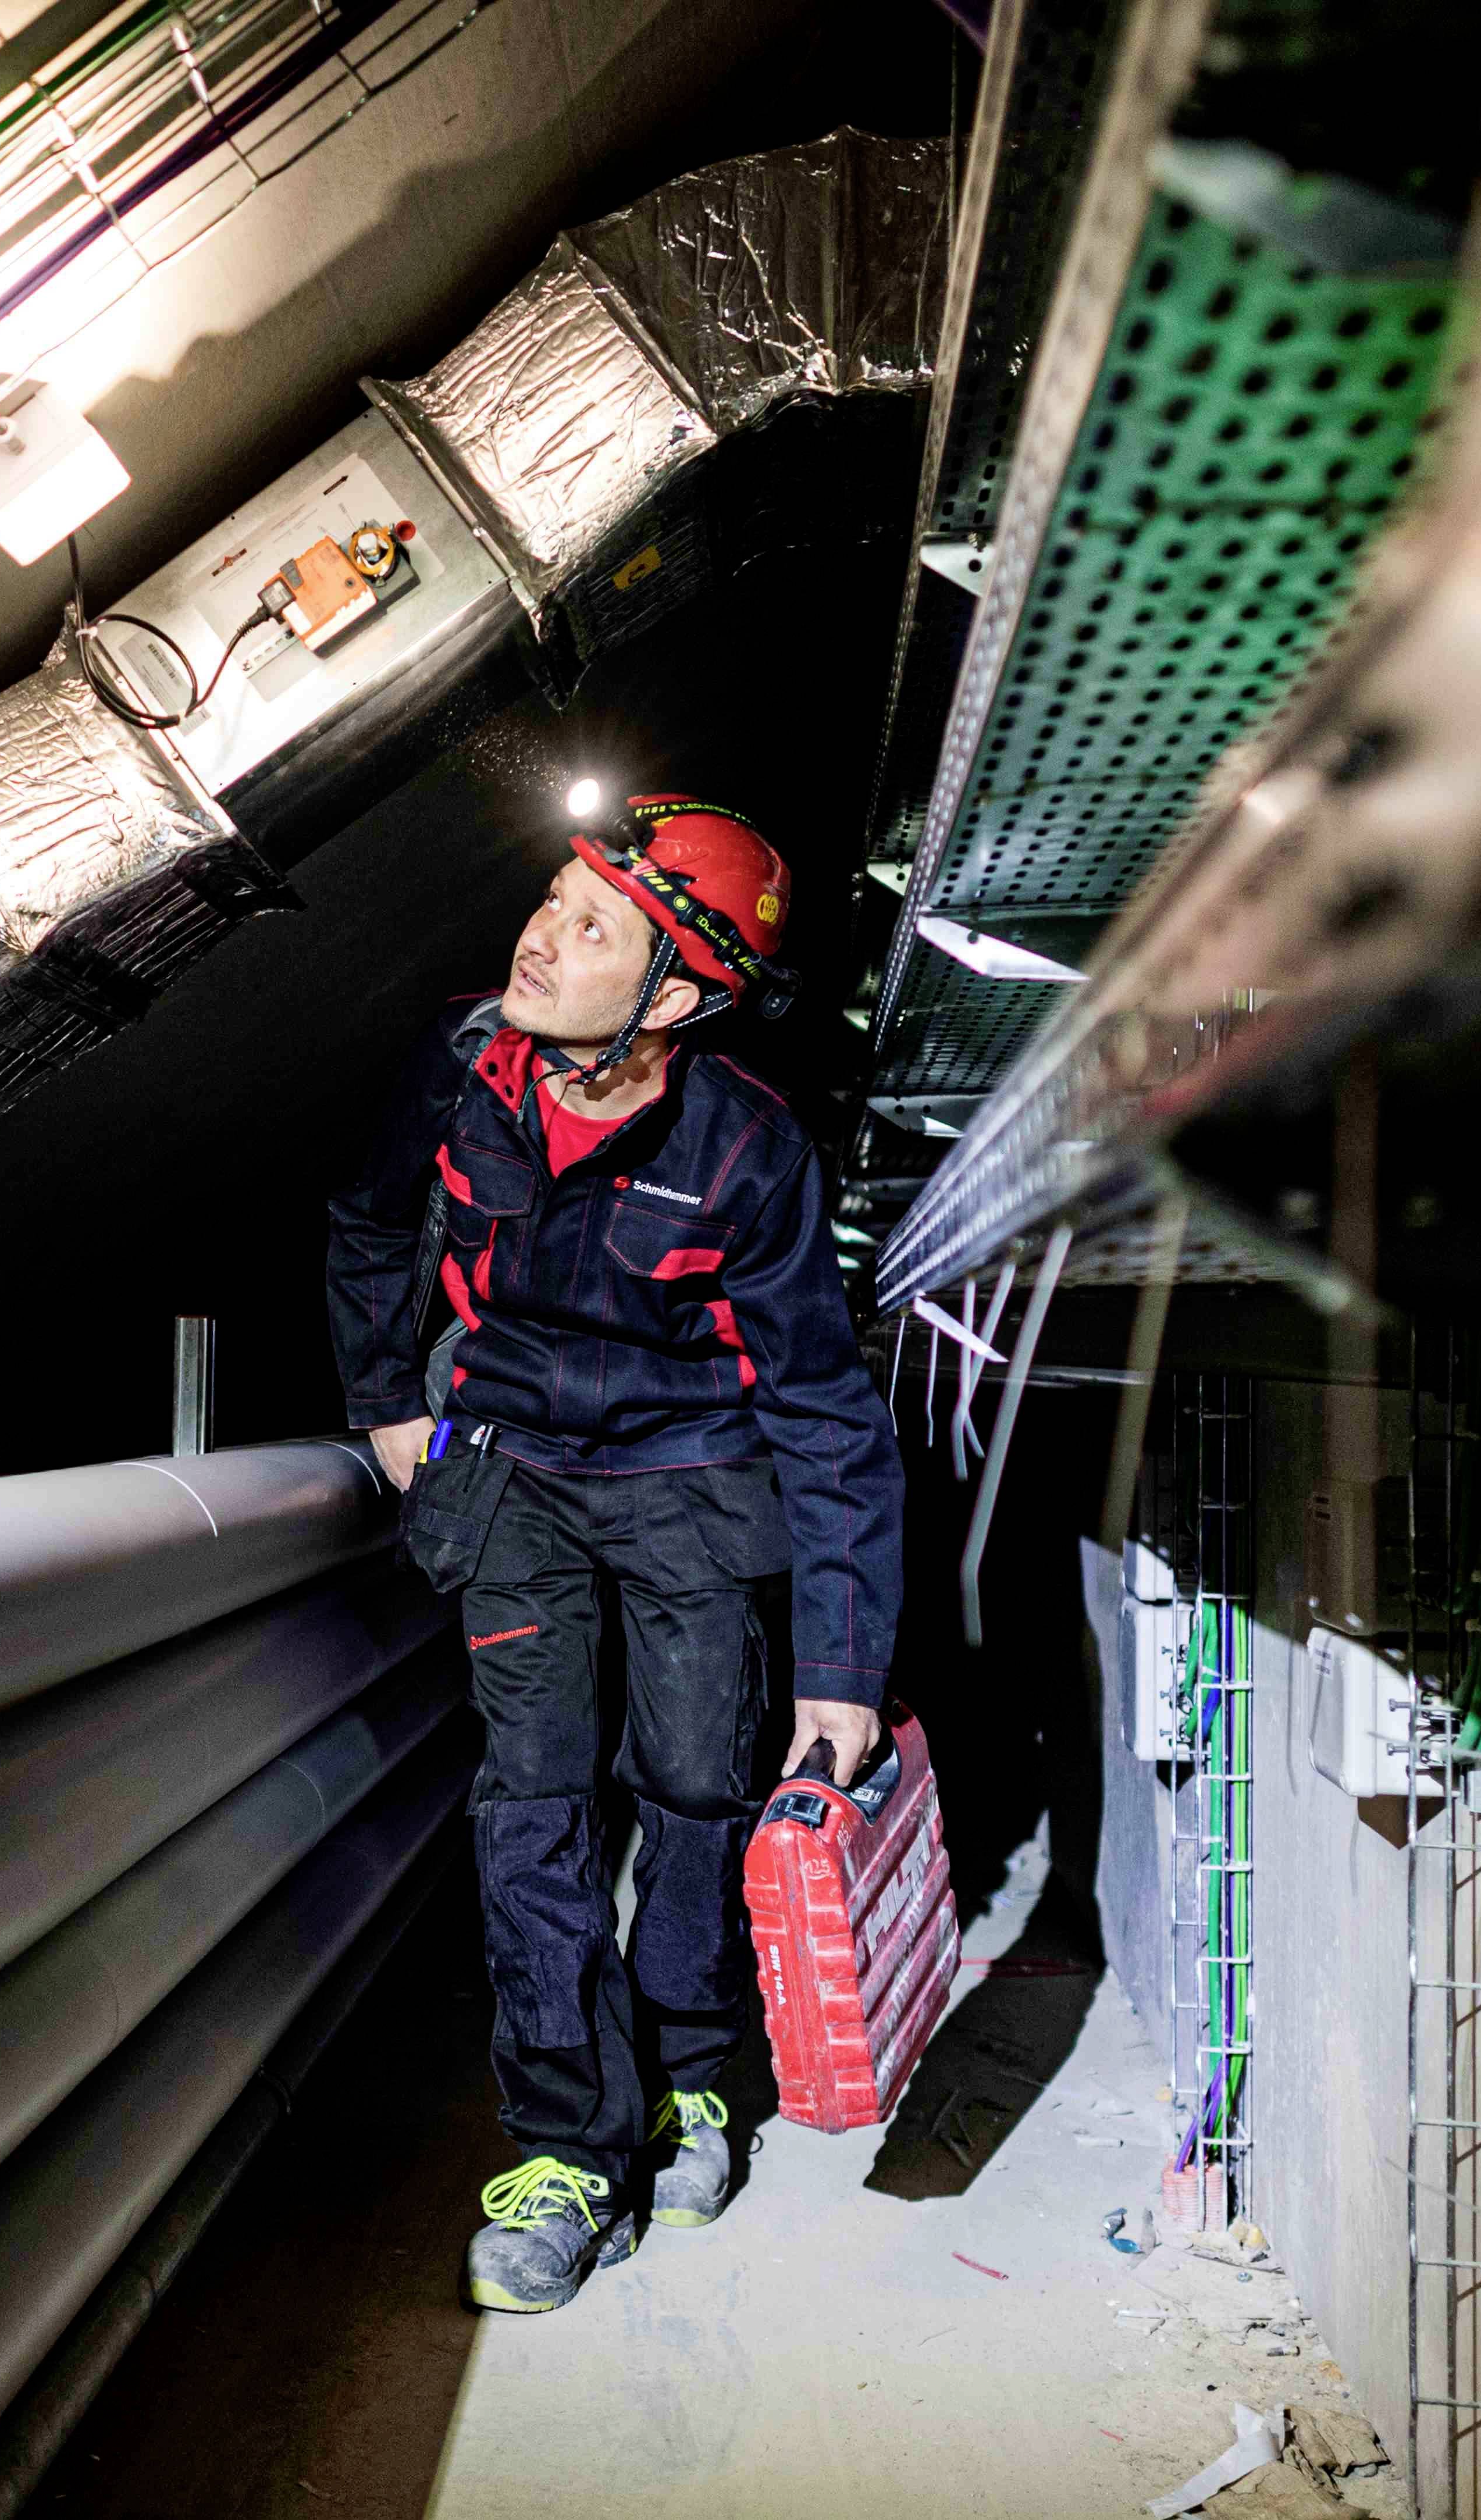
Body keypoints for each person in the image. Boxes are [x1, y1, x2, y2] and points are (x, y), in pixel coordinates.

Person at [324, 792, 906, 2314]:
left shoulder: (747, 1150)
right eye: (551, 899)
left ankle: (691, 2079)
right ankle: (567, 2149)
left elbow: (823, 1408)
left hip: (688, 1477)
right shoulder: (461, 1066)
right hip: (512, 1470)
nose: (540, 937)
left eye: (593, 928)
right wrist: (388, 1402)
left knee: (697, 1785)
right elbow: (371, 1224)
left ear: (675, 998)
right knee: (533, 1804)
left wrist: (842, 1670)